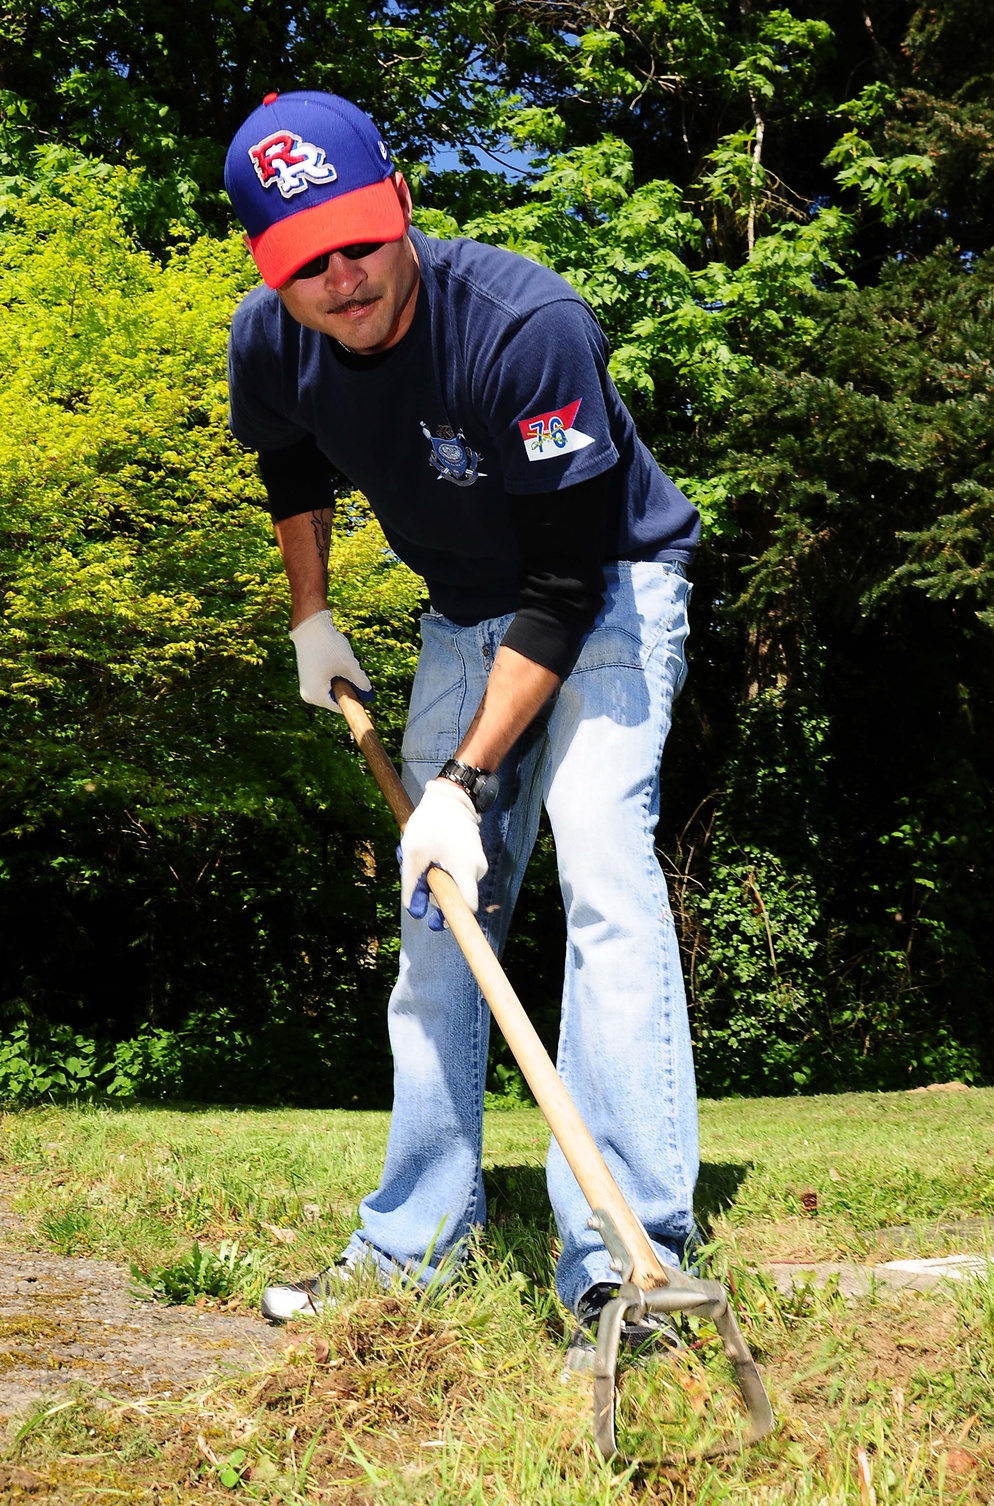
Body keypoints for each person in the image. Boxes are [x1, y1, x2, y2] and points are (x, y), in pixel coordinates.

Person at [223, 90, 701, 1365]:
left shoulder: (525, 328)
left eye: (359, 241)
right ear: (270, 270)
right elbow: (289, 468)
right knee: (437, 913)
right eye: (303, 261)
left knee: (600, 860)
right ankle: (411, 1245)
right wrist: (311, 617)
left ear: (403, 209)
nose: (341, 279)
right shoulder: (269, 343)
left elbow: (564, 585)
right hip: (461, 612)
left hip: (605, 591)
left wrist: (465, 775)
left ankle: (628, 1257)